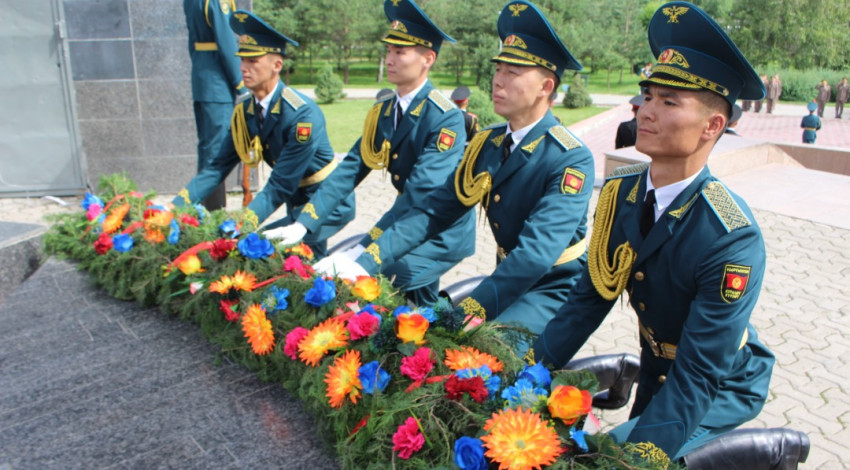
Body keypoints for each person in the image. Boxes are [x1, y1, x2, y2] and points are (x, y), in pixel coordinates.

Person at [533, 1, 775, 462]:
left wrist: (633, 456)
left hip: (720, 382)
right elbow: (586, 302)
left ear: (712, 126)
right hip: (657, 367)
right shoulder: (620, 193)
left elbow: (699, 374)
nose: (646, 111)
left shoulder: (730, 235)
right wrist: (527, 369)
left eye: (669, 102)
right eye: (648, 97)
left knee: (623, 455)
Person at [322, 0, 595, 349]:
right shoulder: (489, 143)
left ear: (545, 87)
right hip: (506, 277)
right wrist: (364, 261)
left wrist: (463, 314)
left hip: (552, 288)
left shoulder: (570, 159)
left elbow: (534, 256)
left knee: (483, 360)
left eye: (513, 73)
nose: (498, 80)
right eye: (498, 69)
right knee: (425, 345)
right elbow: (434, 211)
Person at [267, 0, 473, 307]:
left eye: (400, 52)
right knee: (415, 303)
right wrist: (304, 223)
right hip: (406, 219)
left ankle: (443, 327)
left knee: (384, 279)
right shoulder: (385, 111)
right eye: (388, 50)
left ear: (428, 59)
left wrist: (364, 250)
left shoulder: (445, 118)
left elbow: (420, 196)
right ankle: (430, 328)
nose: (389, 59)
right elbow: (350, 168)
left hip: (439, 229)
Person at [172, 11, 355, 258]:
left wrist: (242, 224)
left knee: (259, 248)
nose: (243, 68)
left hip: (327, 202)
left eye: (253, 61)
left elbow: (279, 184)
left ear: (276, 65)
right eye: (242, 60)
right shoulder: (245, 112)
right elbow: (216, 167)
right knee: (305, 264)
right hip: (296, 198)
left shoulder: (302, 115)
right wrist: (175, 207)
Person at [183, 0, 248, 211]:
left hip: (202, 78)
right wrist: (240, 83)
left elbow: (192, 42)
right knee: (216, 153)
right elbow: (227, 43)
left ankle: (202, 208)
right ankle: (213, 211)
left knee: (206, 149)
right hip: (218, 82)